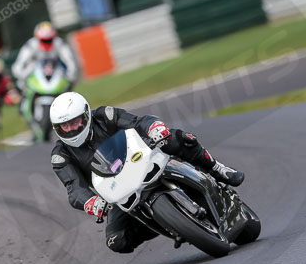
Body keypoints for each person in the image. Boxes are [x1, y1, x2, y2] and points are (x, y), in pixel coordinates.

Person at [49, 91, 244, 254]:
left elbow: (136, 121)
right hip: (119, 191)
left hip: (142, 158)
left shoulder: (104, 116)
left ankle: (217, 168)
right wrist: (91, 202)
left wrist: (153, 127)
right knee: (116, 241)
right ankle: (170, 223)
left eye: (74, 122)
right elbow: (74, 189)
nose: (71, 129)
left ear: (86, 115)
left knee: (177, 138)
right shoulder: (61, 155)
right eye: (64, 126)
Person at [11, 21, 79, 89]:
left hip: (56, 71)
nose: (47, 43)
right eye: (44, 40)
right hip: (35, 73)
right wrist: (23, 77)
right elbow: (18, 65)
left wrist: (70, 77)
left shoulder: (59, 43)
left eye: (49, 40)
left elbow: (70, 61)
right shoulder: (31, 45)